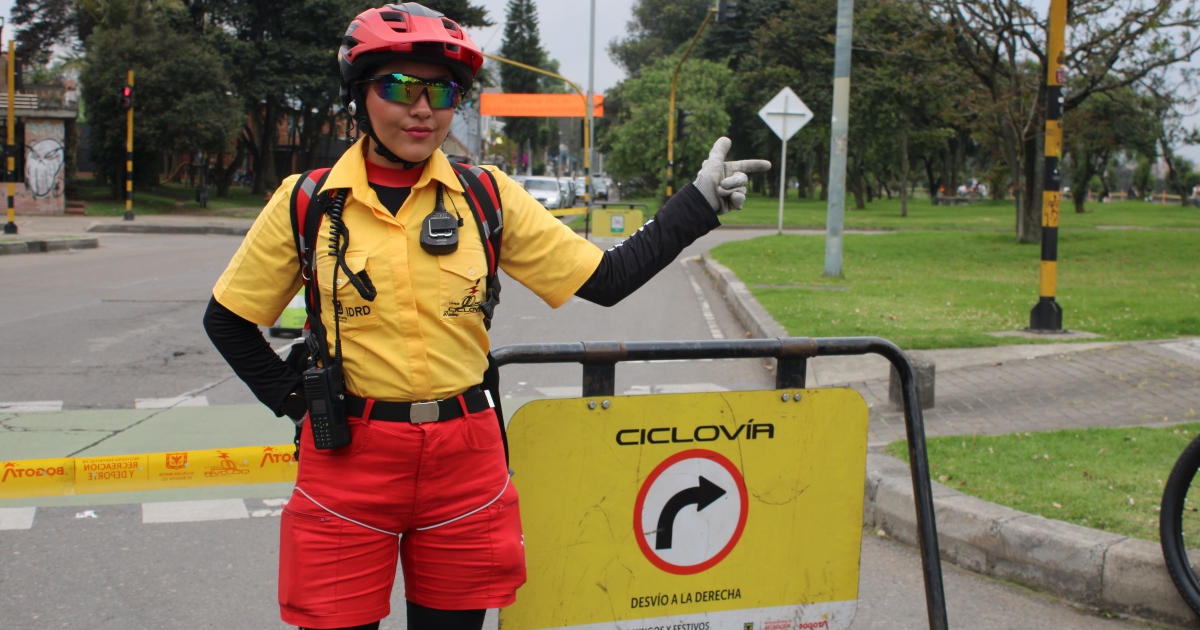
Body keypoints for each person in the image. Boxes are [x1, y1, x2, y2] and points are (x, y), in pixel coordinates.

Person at [203, 4, 769, 630]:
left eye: (441, 91)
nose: (422, 108)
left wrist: (698, 205)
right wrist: (299, 403)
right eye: (399, 87)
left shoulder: (486, 196)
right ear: (358, 95)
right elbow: (227, 320)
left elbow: (607, 280)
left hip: (465, 459)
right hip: (348, 462)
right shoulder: (307, 202)